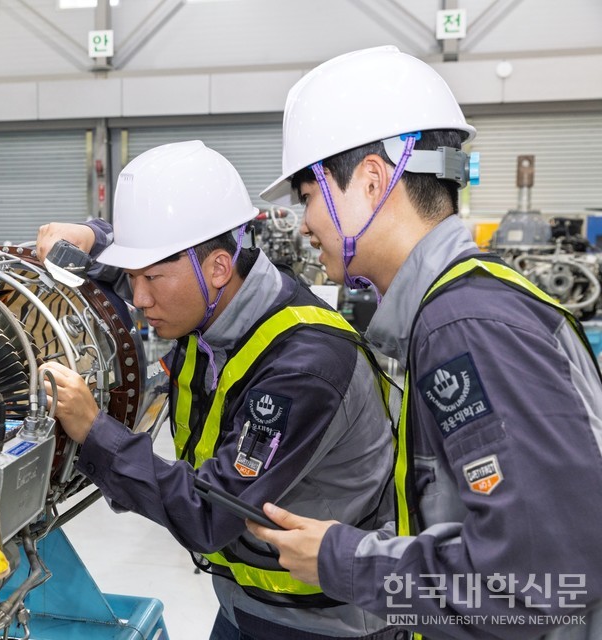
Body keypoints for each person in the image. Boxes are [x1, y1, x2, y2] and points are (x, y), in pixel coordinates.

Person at [250, 45, 602, 640]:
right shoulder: (463, 306)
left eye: (307, 196)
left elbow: (540, 582)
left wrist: (343, 562)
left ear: (371, 182)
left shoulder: (465, 325)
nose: (303, 223)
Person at [36, 140, 401, 639]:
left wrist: (94, 430)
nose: (138, 298)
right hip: (244, 600)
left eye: (151, 279)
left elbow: (210, 513)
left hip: (319, 622)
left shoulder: (303, 368)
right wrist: (93, 236)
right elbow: (140, 269)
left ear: (217, 269)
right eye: (132, 276)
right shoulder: (209, 301)